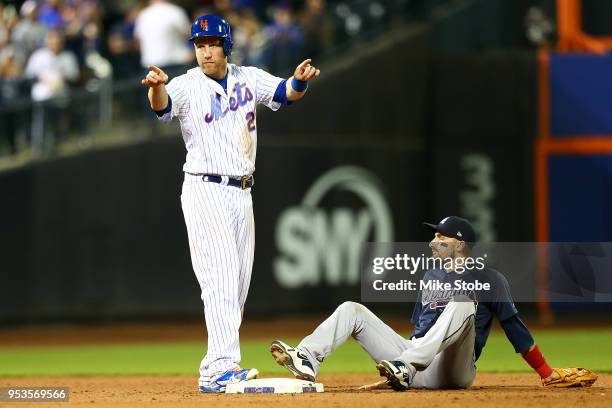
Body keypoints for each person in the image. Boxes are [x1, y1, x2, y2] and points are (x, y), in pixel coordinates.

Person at [140, 14, 320, 393]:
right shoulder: (187, 85)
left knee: (236, 285)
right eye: (199, 44)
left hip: (242, 192)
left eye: (212, 43)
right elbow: (163, 107)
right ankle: (219, 368)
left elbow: (285, 93)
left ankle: (219, 366)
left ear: (226, 46)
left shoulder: (248, 78)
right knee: (220, 279)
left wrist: (300, 81)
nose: (205, 51)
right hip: (205, 189)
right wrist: (156, 87)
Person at [270, 216, 598, 390]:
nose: (433, 241)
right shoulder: (430, 276)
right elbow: (420, 330)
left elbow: (515, 329)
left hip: (455, 369)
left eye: (440, 237)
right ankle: (308, 358)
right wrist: (406, 357)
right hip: (414, 363)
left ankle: (405, 366)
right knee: (350, 309)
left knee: (462, 304)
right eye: (434, 236)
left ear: (460, 244)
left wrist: (546, 372)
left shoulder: (491, 279)